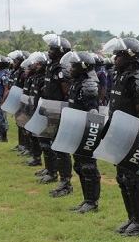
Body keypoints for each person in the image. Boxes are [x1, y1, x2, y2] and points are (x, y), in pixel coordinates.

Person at [103, 37, 139, 236]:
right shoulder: (121, 75)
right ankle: (132, 218)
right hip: (118, 131)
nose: (115, 58)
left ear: (129, 57)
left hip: (132, 134)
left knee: (133, 178)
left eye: (118, 55)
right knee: (122, 178)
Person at [63, 51, 102, 213]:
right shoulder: (76, 82)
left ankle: (92, 202)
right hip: (75, 129)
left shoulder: (89, 85)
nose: (70, 68)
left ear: (82, 67)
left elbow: (92, 111)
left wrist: (89, 134)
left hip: (85, 131)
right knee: (79, 166)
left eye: (73, 66)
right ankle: (86, 199)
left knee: (88, 166)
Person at [42, 34, 74, 197]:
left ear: (60, 51)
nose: (49, 51)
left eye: (52, 49)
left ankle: (66, 182)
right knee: (53, 145)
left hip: (60, 112)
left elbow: (66, 92)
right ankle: (56, 174)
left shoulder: (62, 69)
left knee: (61, 148)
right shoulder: (52, 66)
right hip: (51, 110)